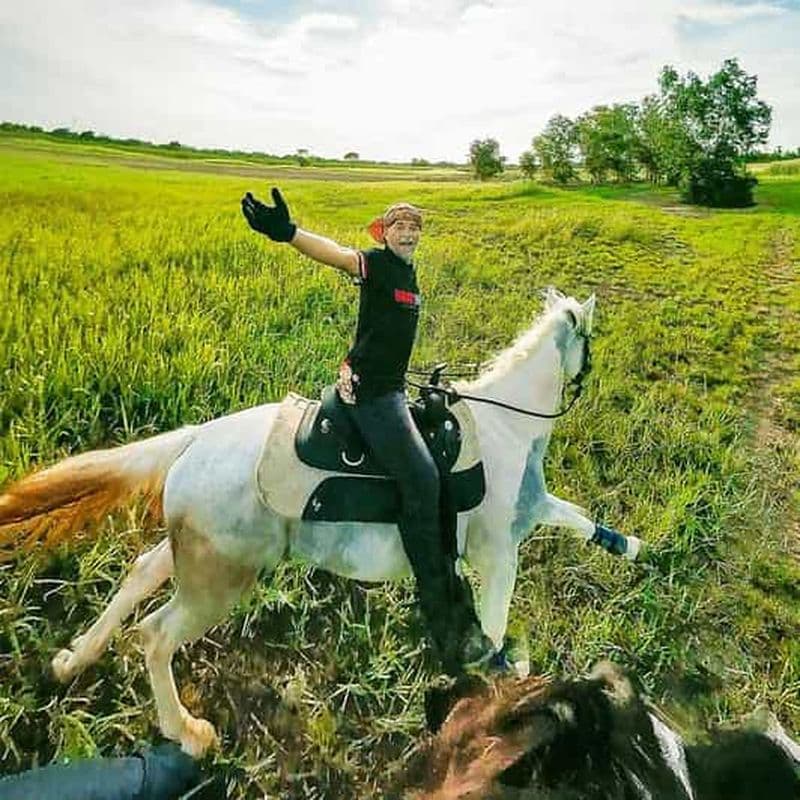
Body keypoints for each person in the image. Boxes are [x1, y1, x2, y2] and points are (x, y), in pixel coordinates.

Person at [241, 188, 494, 674]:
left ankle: (444, 563)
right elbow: (336, 255)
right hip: (370, 395)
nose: (408, 232)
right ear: (384, 232)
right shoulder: (376, 264)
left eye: (415, 227)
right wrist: (289, 233)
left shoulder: (409, 275)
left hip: (392, 387)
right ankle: (440, 615)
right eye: (399, 225)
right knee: (422, 479)